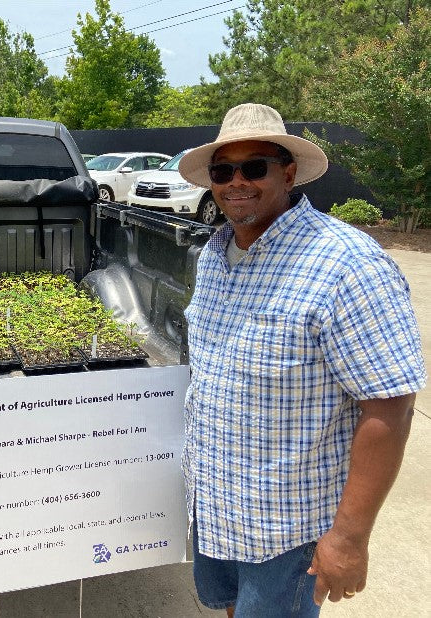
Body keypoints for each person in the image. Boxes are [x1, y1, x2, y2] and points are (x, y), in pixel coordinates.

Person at [177, 103, 426, 617]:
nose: (236, 182)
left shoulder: (346, 264)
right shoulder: (215, 255)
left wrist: (349, 538)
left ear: (288, 172)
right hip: (216, 506)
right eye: (223, 171)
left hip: (287, 528)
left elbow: (390, 407)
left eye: (255, 167)